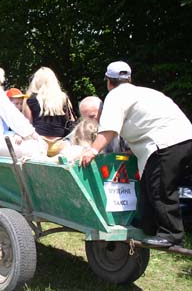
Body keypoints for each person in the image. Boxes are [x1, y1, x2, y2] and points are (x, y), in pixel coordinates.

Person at [80, 61, 192, 247]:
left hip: (164, 143)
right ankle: (149, 227)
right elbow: (148, 122)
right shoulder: (147, 92)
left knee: (160, 189)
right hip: (184, 138)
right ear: (129, 79)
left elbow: (109, 130)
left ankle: (172, 235)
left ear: (109, 81)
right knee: (148, 187)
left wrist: (92, 150)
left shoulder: (115, 96)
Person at [24, 67, 76, 139]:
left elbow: (28, 124)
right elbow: (71, 120)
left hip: (39, 138)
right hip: (60, 139)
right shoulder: (63, 98)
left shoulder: (29, 99)